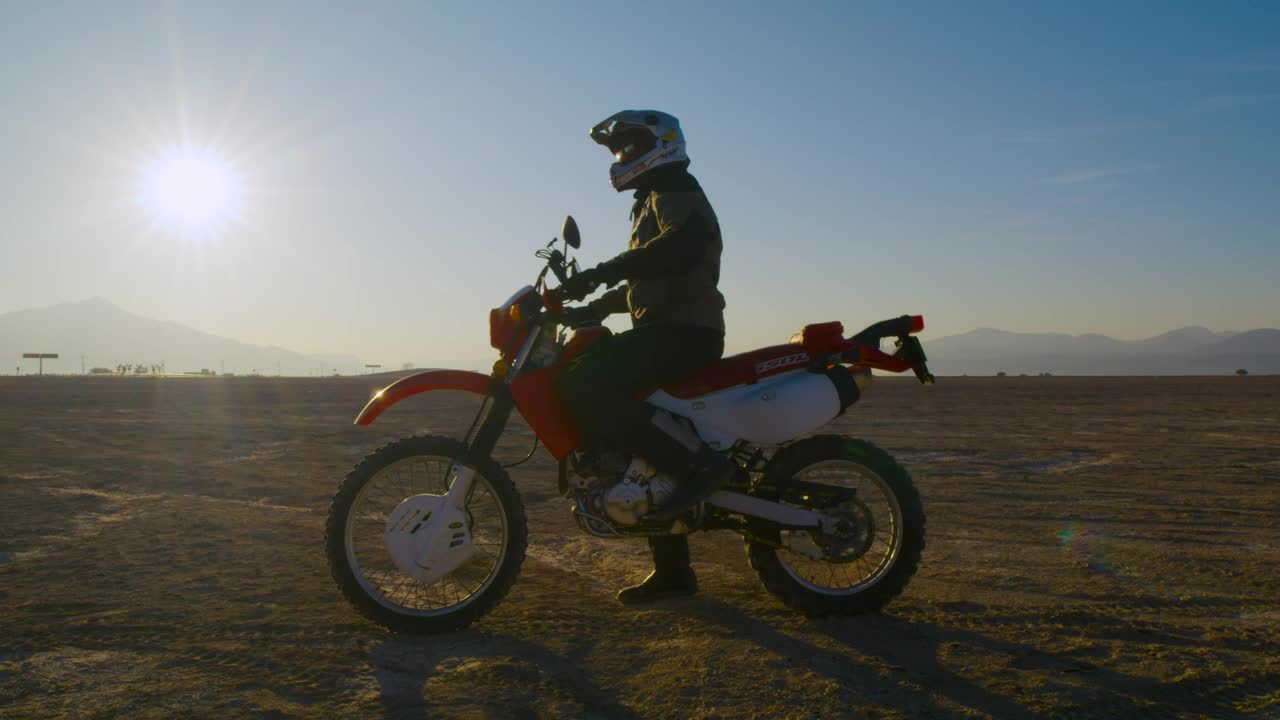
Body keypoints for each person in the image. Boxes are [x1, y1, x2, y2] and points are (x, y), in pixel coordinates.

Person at [554, 110, 741, 605]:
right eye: (621, 151)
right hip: (667, 328)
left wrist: (599, 272)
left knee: (588, 381)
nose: (624, 158)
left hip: (687, 334)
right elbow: (650, 279)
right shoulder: (650, 200)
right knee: (642, 441)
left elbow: (679, 250)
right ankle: (674, 572)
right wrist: (590, 307)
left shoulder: (677, 188)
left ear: (662, 145)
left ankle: (699, 467)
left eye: (632, 147)